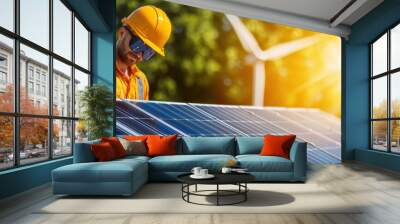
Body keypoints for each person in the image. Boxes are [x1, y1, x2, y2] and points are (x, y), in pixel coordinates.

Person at [116, 5, 172, 100]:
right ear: (122, 33)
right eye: (138, 45)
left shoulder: (141, 80)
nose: (139, 56)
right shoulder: (100, 70)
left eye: (148, 52)